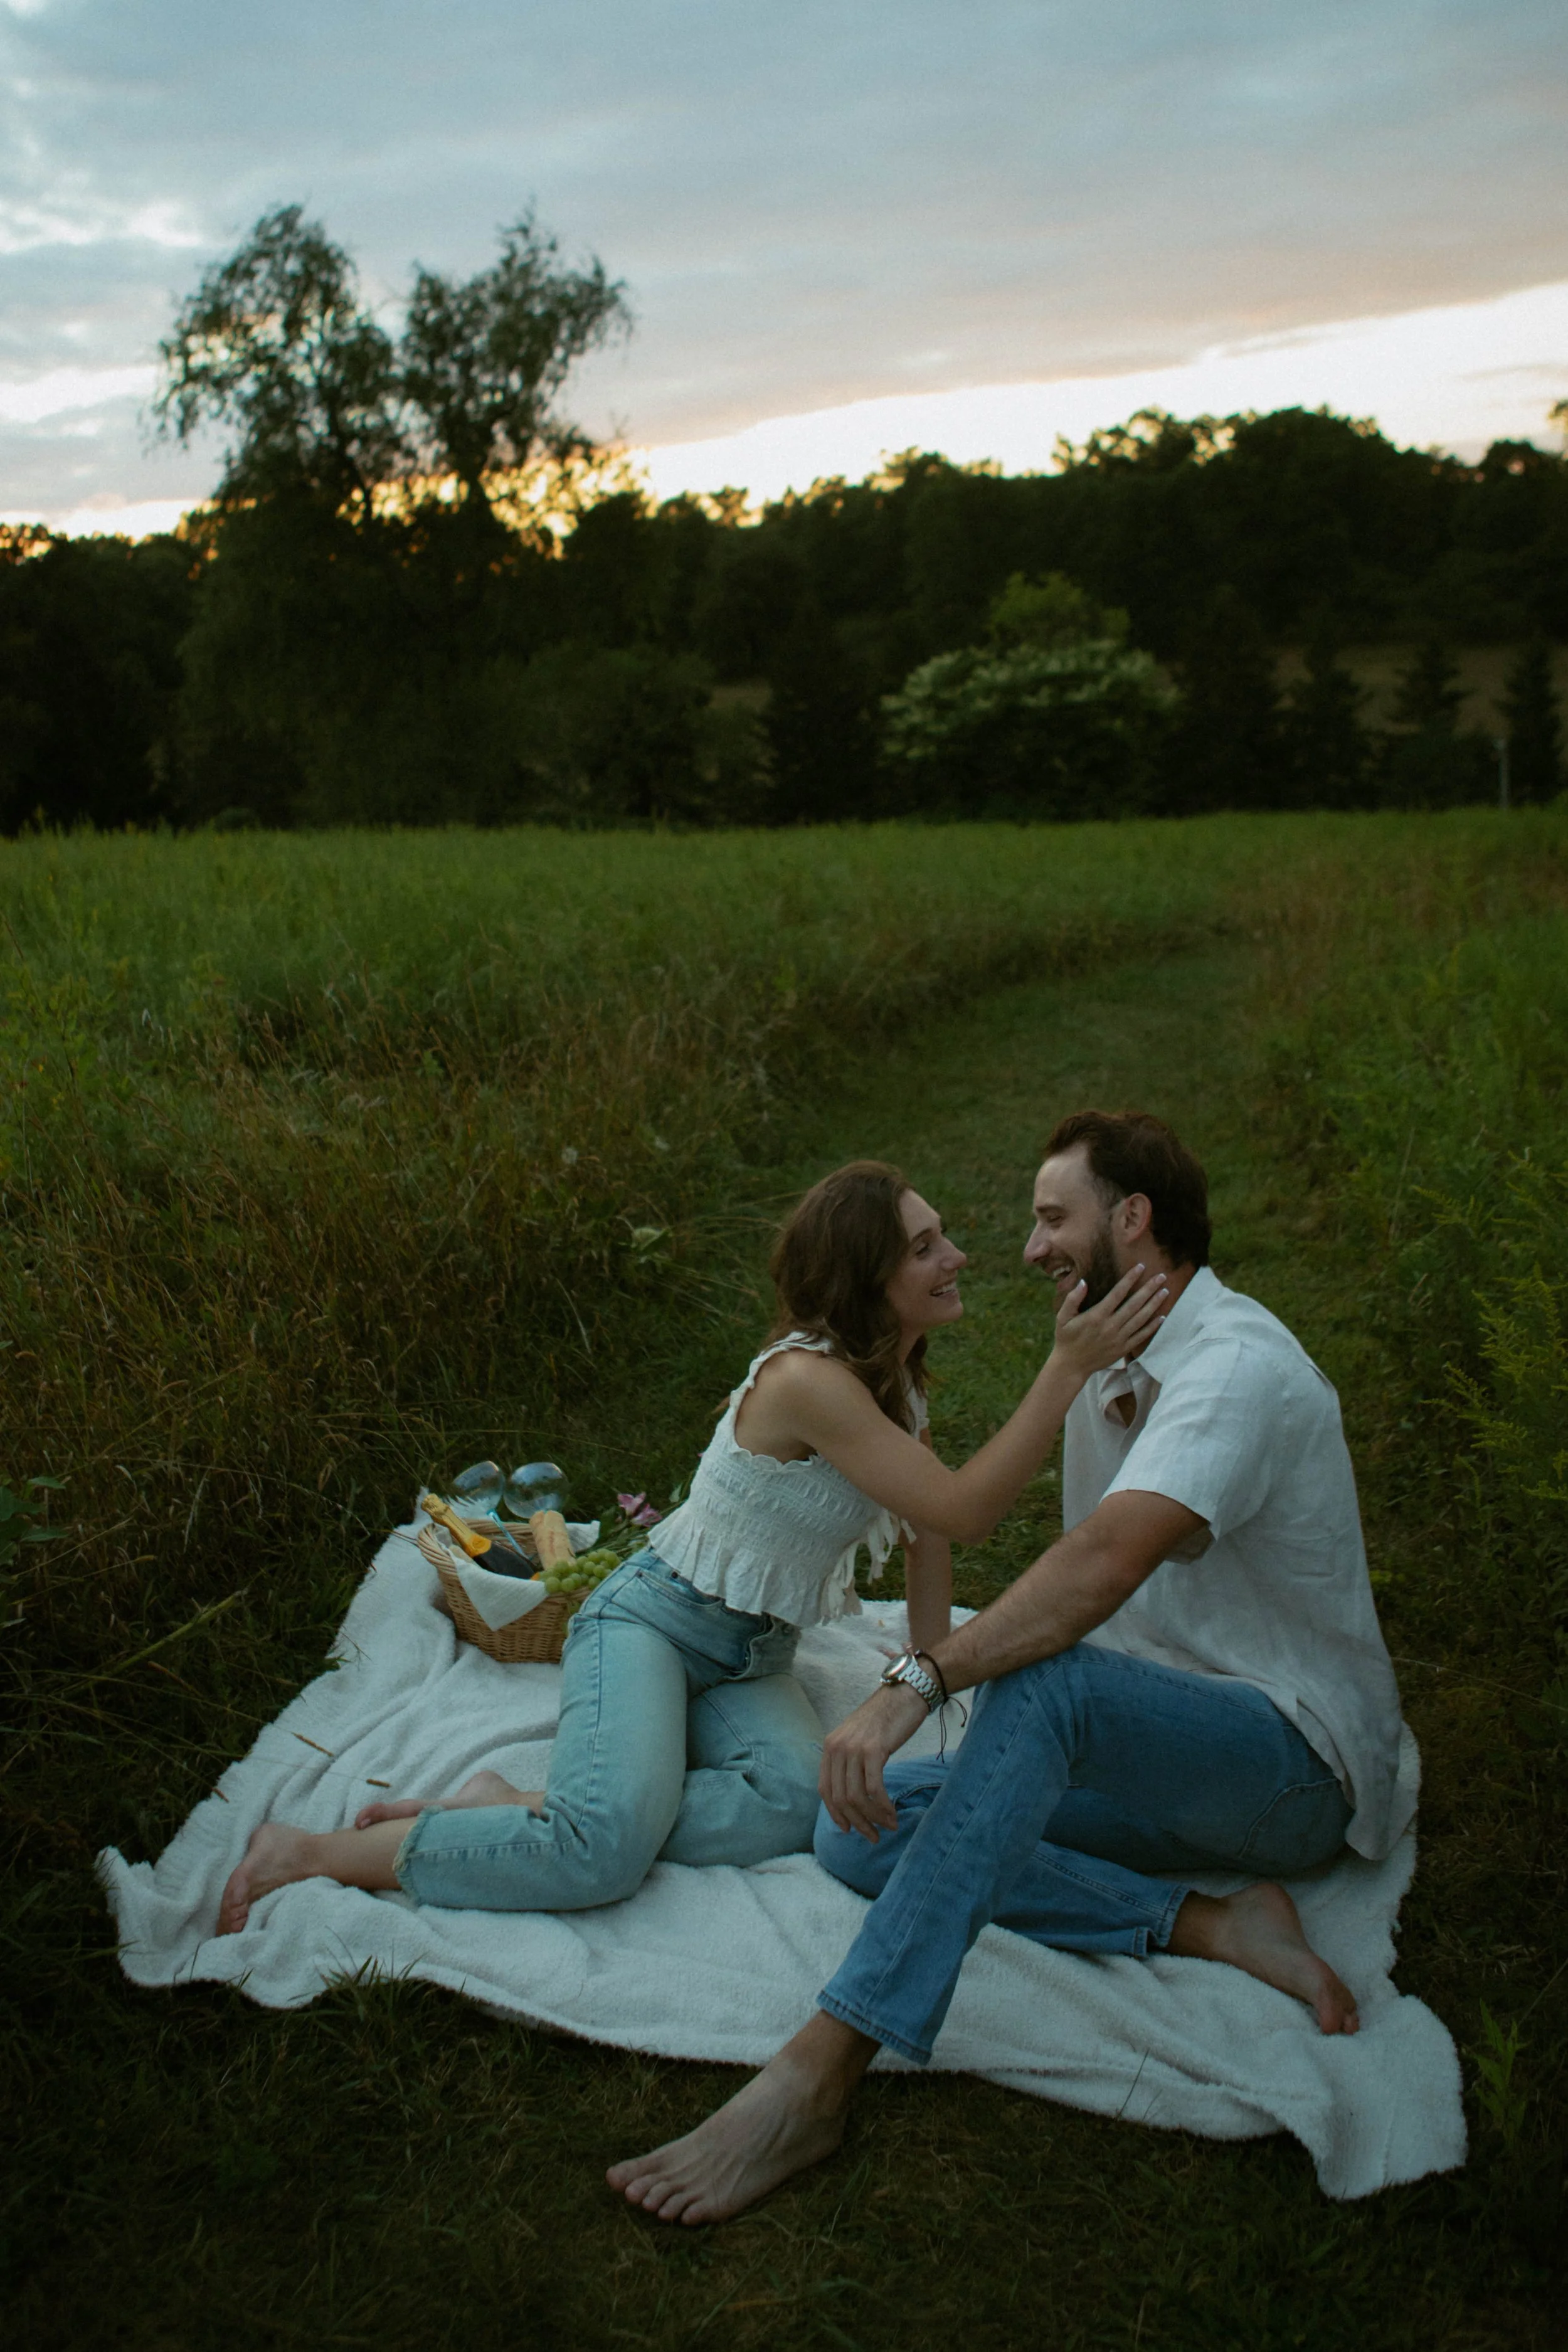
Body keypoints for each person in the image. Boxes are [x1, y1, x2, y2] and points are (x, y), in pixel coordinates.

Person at [608, 1111, 1414, 2227]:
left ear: (1132, 1222)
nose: (1027, 1249)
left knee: (1050, 1678)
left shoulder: (1236, 1370)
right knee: (856, 1826)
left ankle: (822, 2068)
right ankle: (1214, 1923)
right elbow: (967, 1523)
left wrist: (918, 1680)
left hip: (1283, 1763)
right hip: (1155, 1753)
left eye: (1052, 1218)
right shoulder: (1108, 1353)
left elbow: (1099, 1561)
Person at [216, 1158, 1167, 1935]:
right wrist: (1067, 1364)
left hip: (751, 1654)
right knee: (600, 1852)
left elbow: (926, 1537)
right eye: (925, 1247)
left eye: (941, 1235)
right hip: (650, 1626)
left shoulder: (891, 1383)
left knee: (807, 1805)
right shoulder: (808, 1381)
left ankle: (515, 1802)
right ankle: (311, 1852)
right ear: (863, 1277)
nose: (956, 1257)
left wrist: (931, 1680)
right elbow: (965, 1511)